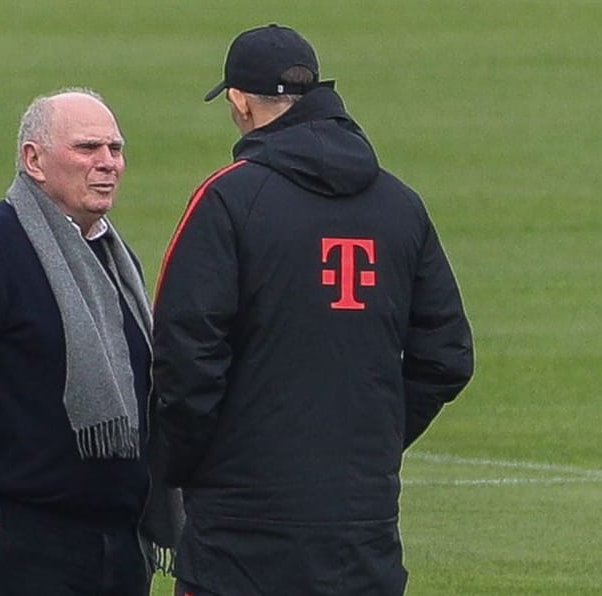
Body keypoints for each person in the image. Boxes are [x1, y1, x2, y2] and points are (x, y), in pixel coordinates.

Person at [152, 25, 474, 596]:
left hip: (241, 530)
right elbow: (446, 357)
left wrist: (182, 466)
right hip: (361, 523)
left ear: (240, 102)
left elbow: (186, 358)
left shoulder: (229, 199)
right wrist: (368, 442)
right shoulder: (401, 206)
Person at [0, 88, 177, 596]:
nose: (107, 164)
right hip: (23, 540)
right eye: (87, 148)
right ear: (33, 160)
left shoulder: (117, 263)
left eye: (115, 149)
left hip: (117, 545)